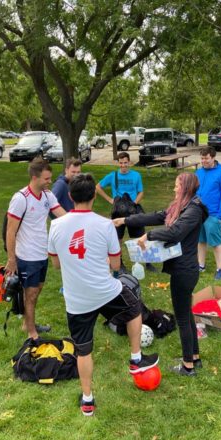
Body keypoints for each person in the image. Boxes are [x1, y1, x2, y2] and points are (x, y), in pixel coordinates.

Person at [48, 173, 159, 415]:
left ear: (70, 197)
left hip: (76, 299)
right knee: (134, 309)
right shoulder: (105, 224)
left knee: (83, 350)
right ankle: (136, 358)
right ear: (93, 197)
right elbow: (117, 265)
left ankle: (87, 400)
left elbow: (56, 265)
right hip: (105, 291)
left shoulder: (55, 225)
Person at [114, 172, 208, 376]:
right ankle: (195, 358)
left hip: (185, 271)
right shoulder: (181, 206)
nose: (174, 189)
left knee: (182, 318)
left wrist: (149, 235)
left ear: (186, 188)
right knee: (187, 315)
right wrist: (126, 220)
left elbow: (176, 232)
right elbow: (157, 216)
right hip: (182, 269)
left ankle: (187, 367)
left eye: (176, 186)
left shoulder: (193, 210)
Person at [5, 157, 66, 339]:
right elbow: (10, 231)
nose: (50, 182)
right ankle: (32, 332)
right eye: (46, 179)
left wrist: (82, 220)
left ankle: (27, 323)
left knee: (36, 291)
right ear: (34, 177)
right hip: (26, 256)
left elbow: (62, 215)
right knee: (30, 294)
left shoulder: (48, 195)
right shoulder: (20, 199)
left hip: (42, 254)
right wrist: (11, 259)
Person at [95, 152, 155, 273]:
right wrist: (110, 200)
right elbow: (97, 187)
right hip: (118, 212)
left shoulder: (136, 175)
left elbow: (141, 192)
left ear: (129, 162)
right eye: (121, 163)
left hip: (133, 210)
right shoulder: (113, 176)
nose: (123, 166)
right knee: (118, 239)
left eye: (125, 163)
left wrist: (135, 203)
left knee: (140, 237)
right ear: (118, 163)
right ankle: (120, 263)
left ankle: (147, 262)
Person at [195, 147, 221, 280]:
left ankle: (220, 269)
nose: (203, 161)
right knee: (200, 240)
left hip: (213, 214)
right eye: (202, 158)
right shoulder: (198, 172)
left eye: (206, 158)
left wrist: (219, 215)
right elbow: (194, 190)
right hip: (199, 213)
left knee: (215, 242)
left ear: (213, 157)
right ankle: (201, 265)